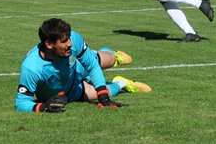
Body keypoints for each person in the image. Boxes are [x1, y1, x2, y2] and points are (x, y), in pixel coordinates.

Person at [16, 18, 151, 113]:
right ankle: (122, 83)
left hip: (77, 66)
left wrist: (102, 97)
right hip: (71, 91)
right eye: (64, 41)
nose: (70, 43)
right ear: (49, 44)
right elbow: (21, 103)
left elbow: (92, 66)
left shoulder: (73, 39)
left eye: (69, 38)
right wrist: (44, 106)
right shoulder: (31, 68)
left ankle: (113, 55)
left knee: (106, 60)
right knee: (112, 91)